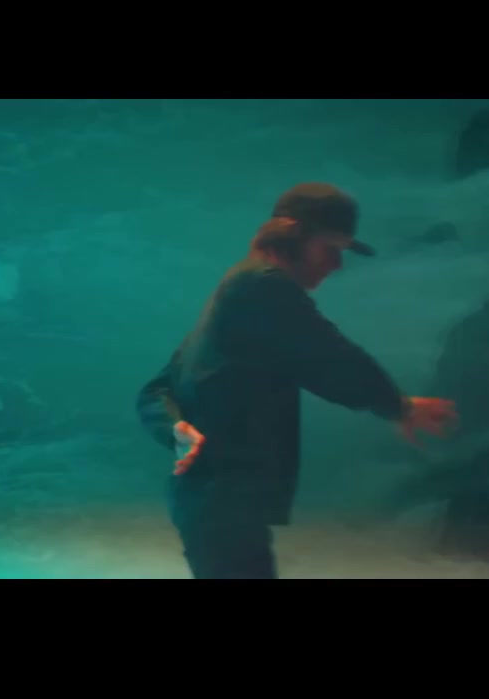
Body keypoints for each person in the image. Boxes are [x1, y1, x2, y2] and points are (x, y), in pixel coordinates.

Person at [136, 182, 458, 579]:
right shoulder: (264, 286)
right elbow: (328, 356)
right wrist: (398, 406)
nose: (337, 265)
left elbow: (155, 391)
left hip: (210, 502)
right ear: (290, 235)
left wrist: (175, 430)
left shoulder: (235, 291)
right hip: (225, 503)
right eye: (330, 248)